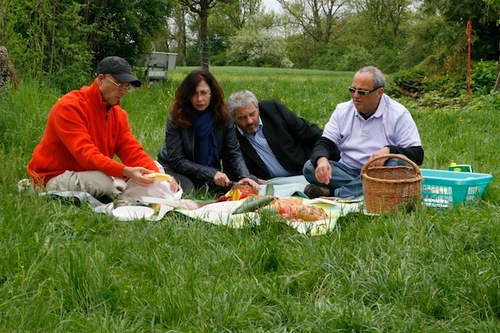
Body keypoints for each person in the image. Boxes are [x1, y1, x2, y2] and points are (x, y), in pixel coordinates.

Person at [28, 56, 180, 200]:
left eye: (126, 87)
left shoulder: (118, 114)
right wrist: (125, 171)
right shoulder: (69, 107)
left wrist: (161, 177)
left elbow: (131, 149)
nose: (123, 92)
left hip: (93, 172)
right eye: (119, 85)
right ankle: (120, 190)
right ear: (101, 79)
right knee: (103, 182)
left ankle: (123, 190)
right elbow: (86, 154)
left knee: (155, 169)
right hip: (53, 175)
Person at [303, 66, 424, 198]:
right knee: (310, 167)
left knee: (399, 163)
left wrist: (390, 150)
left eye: (362, 92)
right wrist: (321, 161)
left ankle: (335, 193)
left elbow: (417, 154)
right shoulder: (342, 110)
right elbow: (324, 142)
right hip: (346, 171)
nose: (355, 96)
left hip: (379, 171)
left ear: (379, 92)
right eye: (352, 90)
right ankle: (366, 188)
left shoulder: (398, 114)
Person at [157, 70, 259, 195]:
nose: (199, 99)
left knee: (247, 183)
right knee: (188, 191)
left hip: (210, 170)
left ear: (212, 93)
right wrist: (211, 173)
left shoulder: (223, 116)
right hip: (176, 169)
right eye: (194, 94)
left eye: (204, 93)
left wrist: (244, 175)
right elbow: (177, 160)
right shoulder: (177, 116)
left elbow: (233, 152)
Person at [228, 90, 323, 182]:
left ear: (258, 108)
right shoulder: (230, 133)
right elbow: (232, 169)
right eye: (242, 118)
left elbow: (310, 132)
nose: (249, 121)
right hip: (268, 184)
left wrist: (322, 156)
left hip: (302, 172)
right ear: (233, 118)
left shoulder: (273, 110)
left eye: (252, 114)